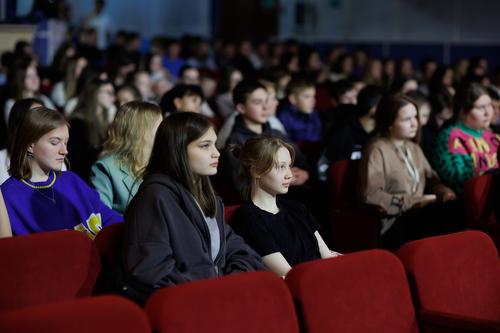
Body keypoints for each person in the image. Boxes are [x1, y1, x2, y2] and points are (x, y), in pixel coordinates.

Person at [121, 112, 265, 303]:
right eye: (205, 146)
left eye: (214, 144)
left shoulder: (205, 196)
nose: (216, 153)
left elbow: (238, 250)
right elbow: (152, 272)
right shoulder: (154, 198)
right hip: (189, 304)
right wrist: (213, 290)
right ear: (178, 150)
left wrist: (231, 284)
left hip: (219, 297)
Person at [359, 94, 464, 249]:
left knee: (457, 207)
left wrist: (444, 192)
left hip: (419, 215)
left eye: (415, 117)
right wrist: (414, 201)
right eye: (407, 119)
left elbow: (433, 180)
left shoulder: (413, 147)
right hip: (394, 222)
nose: (415, 124)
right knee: (443, 216)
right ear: (389, 122)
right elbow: (371, 195)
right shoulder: (377, 149)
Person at [1, 107, 122, 238]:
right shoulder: (9, 195)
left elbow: (110, 219)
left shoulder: (72, 180)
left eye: (66, 142)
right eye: (55, 142)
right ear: (30, 145)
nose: (64, 151)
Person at [229, 136, 340, 277]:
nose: (289, 174)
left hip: (323, 278)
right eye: (281, 167)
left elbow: (327, 257)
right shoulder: (248, 218)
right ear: (256, 171)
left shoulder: (298, 208)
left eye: (289, 166)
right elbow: (290, 276)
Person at [90, 101, 162, 214]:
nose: (163, 132)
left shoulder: (162, 163)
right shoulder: (106, 168)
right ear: (140, 131)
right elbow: (101, 217)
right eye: (159, 127)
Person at [433, 83, 500, 193]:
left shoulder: (494, 137)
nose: (488, 112)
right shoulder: (450, 137)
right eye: (481, 107)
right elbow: (457, 179)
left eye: (489, 105)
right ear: (463, 111)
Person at [68, 78, 116, 181]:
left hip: (98, 177)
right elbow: (76, 160)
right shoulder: (78, 123)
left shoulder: (106, 121)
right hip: (83, 179)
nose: (113, 97)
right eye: (108, 92)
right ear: (94, 93)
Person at [277, 79, 322, 143]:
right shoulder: (284, 116)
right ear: (293, 99)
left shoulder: (314, 113)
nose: (313, 101)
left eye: (313, 96)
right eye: (307, 96)